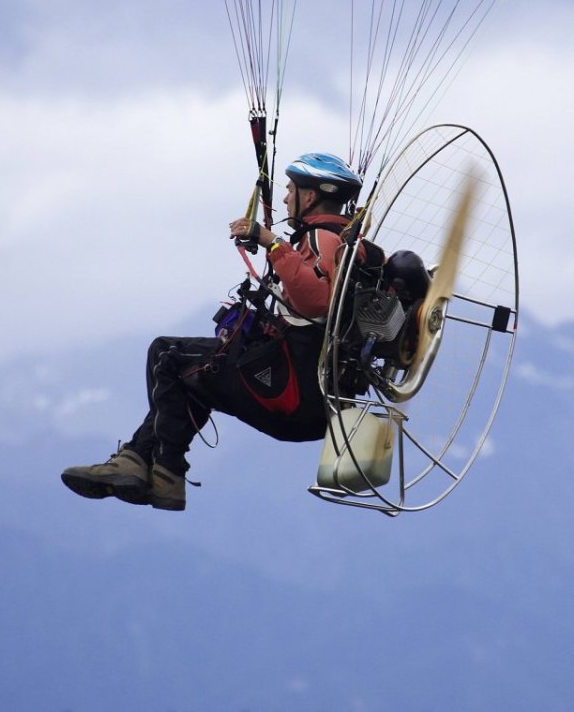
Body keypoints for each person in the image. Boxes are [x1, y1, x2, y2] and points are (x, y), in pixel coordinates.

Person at [60, 153, 363, 511]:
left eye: (290, 190)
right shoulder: (352, 246)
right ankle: (139, 463)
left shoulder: (321, 240)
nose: (284, 199)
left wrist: (271, 242)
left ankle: (164, 470)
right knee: (195, 374)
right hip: (312, 405)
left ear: (309, 197)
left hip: (289, 391)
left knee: (167, 355)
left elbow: (317, 301)